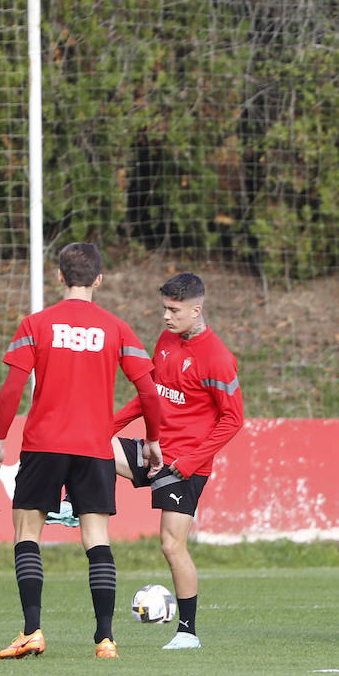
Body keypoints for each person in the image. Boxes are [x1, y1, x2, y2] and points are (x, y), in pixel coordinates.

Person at [0, 242, 164, 659]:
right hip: (94, 448)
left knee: (27, 534)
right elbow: (148, 392)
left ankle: (33, 631)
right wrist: (151, 440)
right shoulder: (116, 328)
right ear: (99, 279)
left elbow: (12, 387)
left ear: (59, 277)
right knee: (96, 538)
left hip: (43, 445)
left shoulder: (36, 324)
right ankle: (105, 639)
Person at [110, 273, 244, 650]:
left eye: (174, 310)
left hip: (185, 465)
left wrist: (190, 461)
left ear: (195, 309)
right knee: (95, 448)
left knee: (171, 545)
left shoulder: (218, 358)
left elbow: (233, 419)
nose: (166, 317)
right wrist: (108, 425)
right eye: (165, 309)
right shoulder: (167, 340)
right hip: (154, 447)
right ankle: (75, 505)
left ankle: (187, 632)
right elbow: (150, 395)